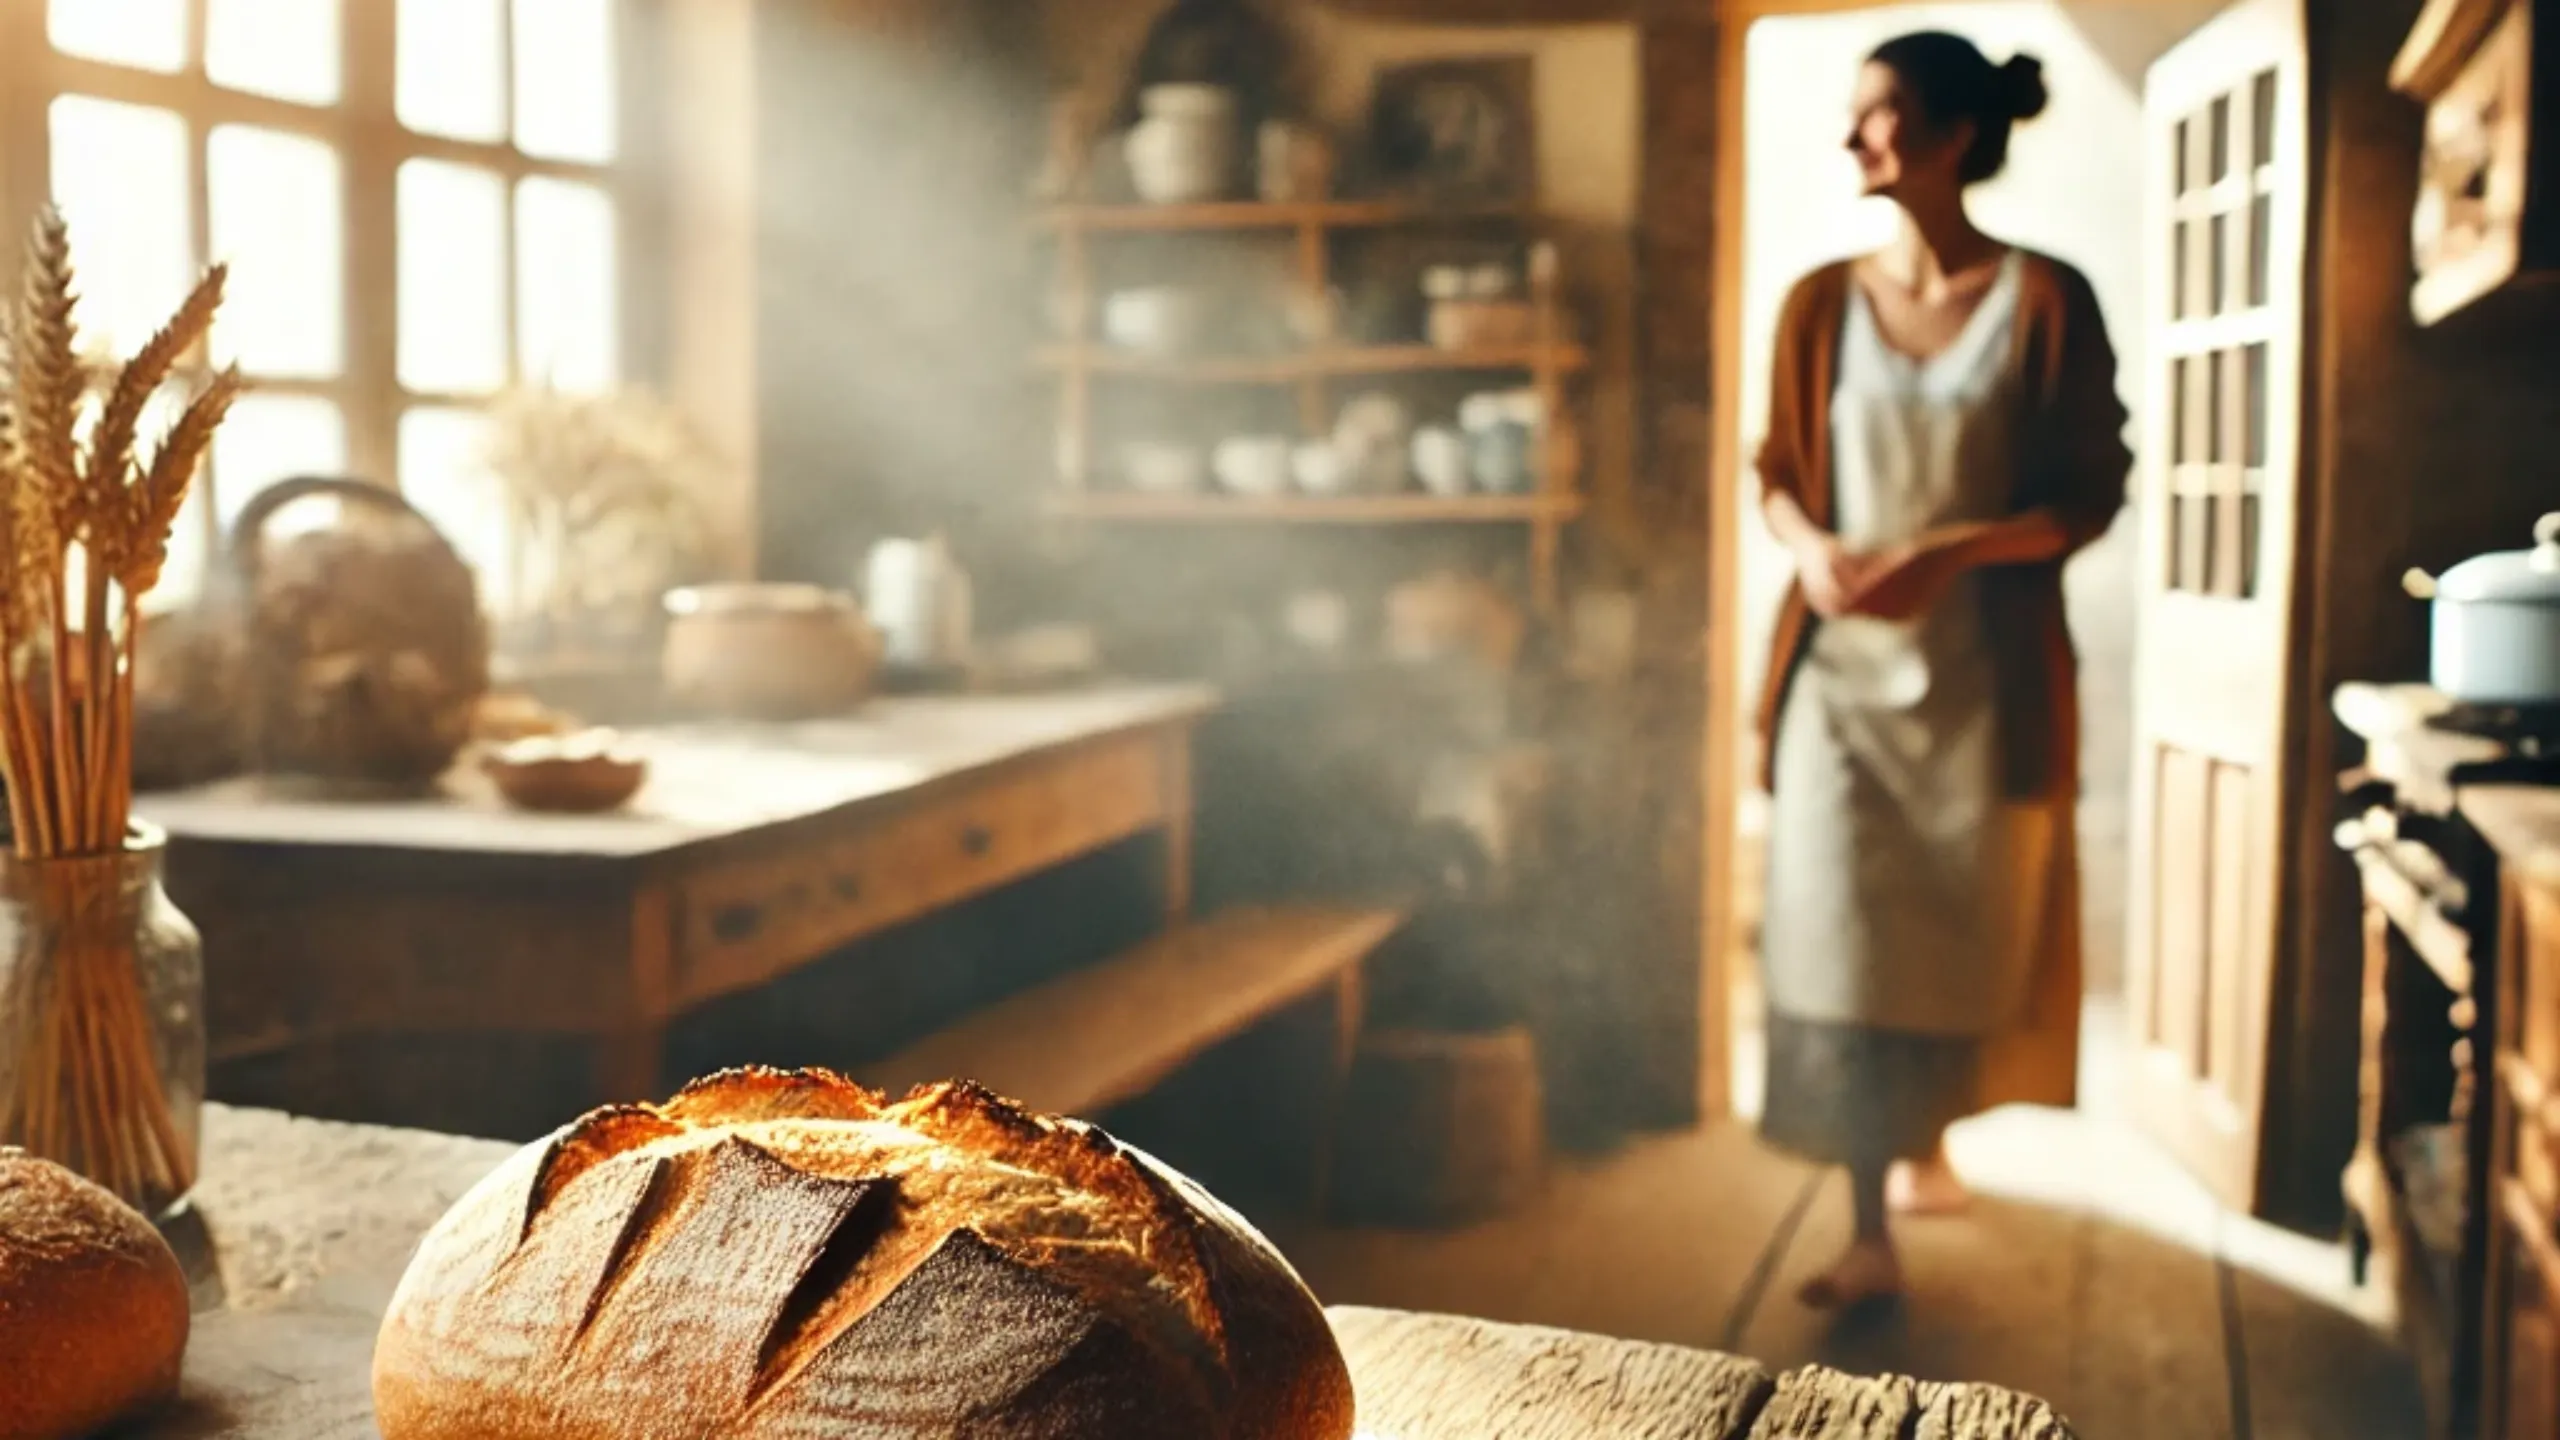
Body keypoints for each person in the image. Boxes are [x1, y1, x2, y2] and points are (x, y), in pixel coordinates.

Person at [1749, 30, 2132, 1309]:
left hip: (1984, 689)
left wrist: (1949, 552)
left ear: (1953, 135)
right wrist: (1812, 557)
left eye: (1880, 114)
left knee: (1961, 928)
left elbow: (2089, 494)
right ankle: (1867, 1223)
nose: (1853, 138)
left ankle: (1929, 1137)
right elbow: (1777, 480)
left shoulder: (2045, 299)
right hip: (1839, 693)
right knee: (1841, 938)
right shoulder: (1817, 303)